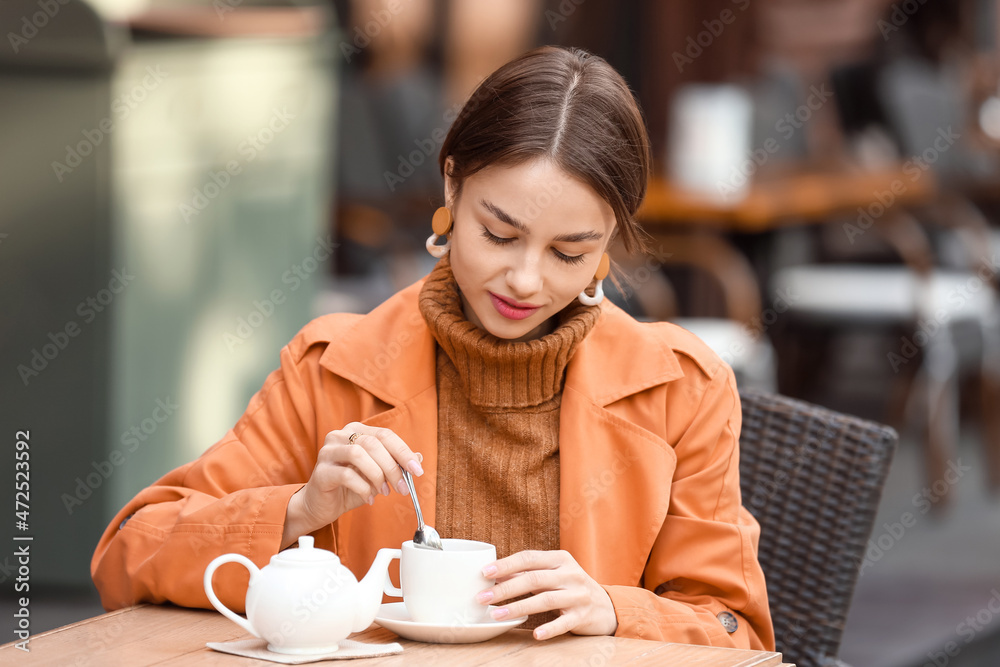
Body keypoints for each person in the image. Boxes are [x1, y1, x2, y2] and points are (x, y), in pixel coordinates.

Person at [92, 45, 774, 650]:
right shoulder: (334, 368)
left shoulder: (679, 389)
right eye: (499, 235)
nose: (525, 279)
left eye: (571, 252)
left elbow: (732, 628)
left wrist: (614, 609)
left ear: (609, 243)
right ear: (452, 184)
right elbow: (129, 555)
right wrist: (300, 509)